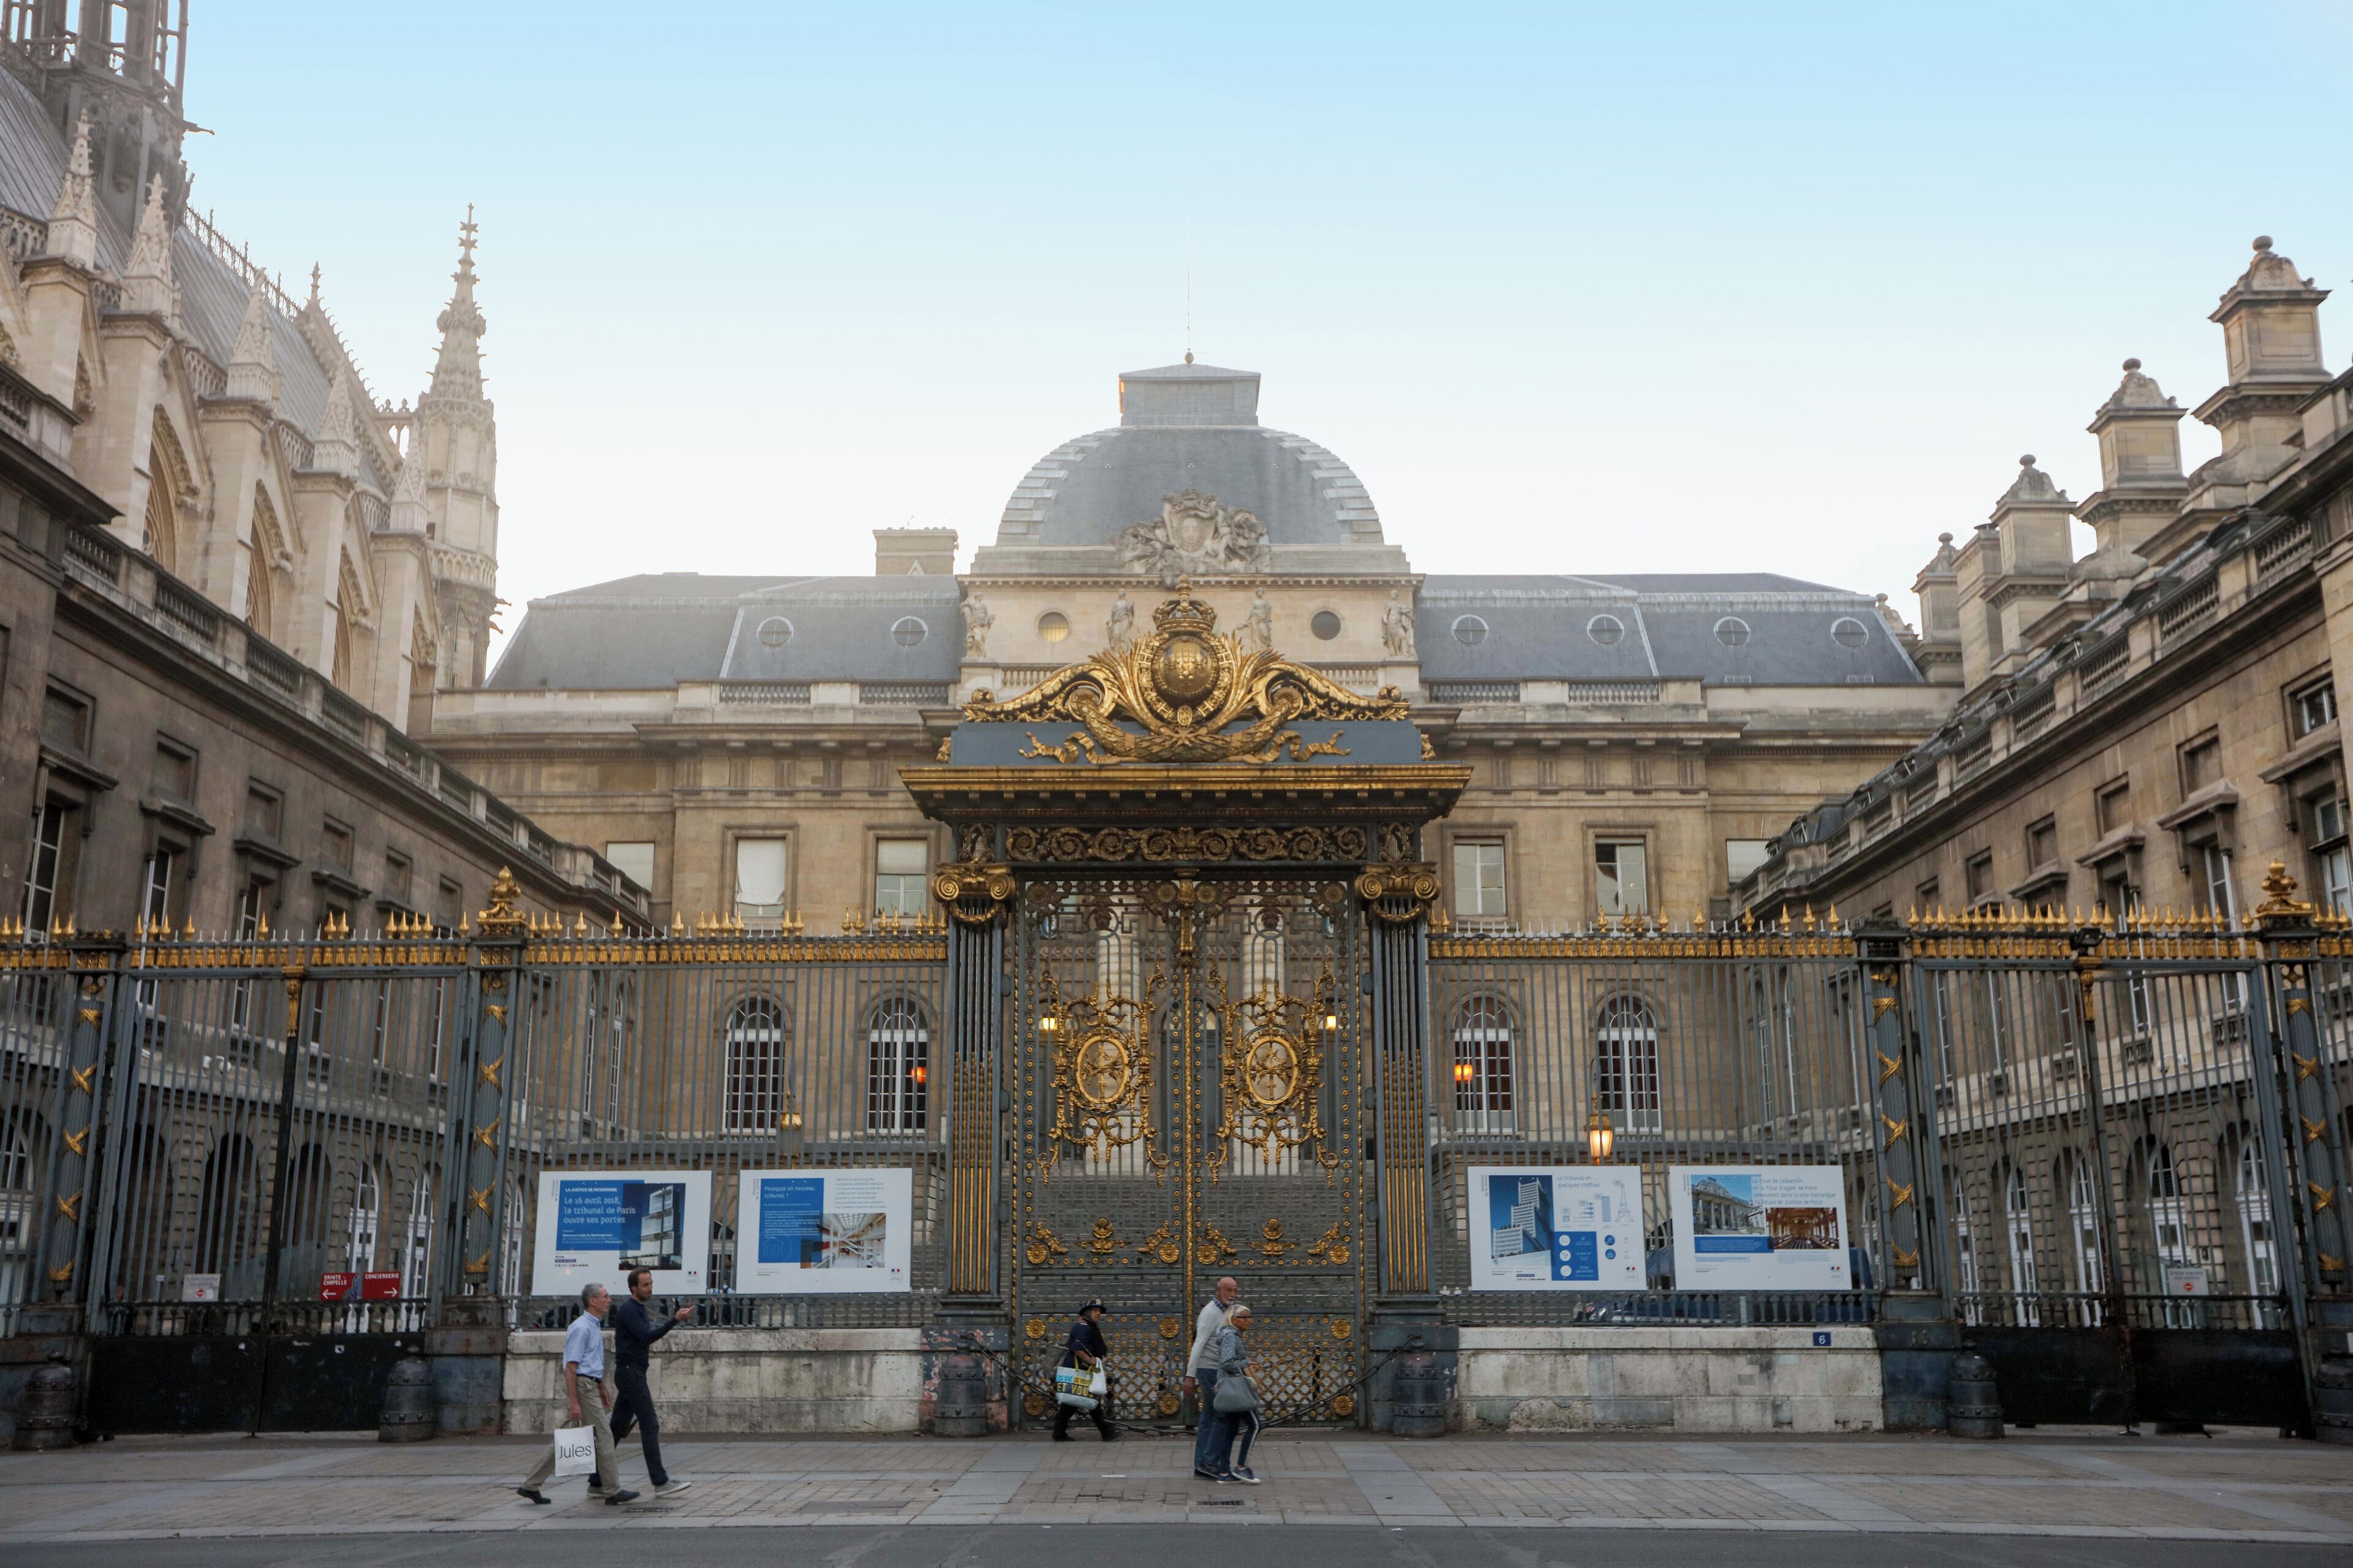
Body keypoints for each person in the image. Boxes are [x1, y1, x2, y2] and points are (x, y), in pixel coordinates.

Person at [515, 1282, 637, 1506]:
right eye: (605, 1296)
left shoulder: (592, 1326)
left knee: (567, 1436)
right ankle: (611, 1490)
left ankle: (530, 1485)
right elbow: (571, 1367)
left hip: (589, 1385)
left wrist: (601, 1386)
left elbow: (588, 1363)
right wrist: (574, 1402)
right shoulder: (581, 1328)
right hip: (583, 1386)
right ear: (593, 1301)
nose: (609, 1300)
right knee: (604, 1436)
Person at [599, 1267, 697, 1497]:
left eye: (651, 1283)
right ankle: (660, 1481)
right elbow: (646, 1336)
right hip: (630, 1373)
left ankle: (596, 1481)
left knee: (616, 1429)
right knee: (650, 1424)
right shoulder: (630, 1310)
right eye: (645, 1285)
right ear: (634, 1288)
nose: (650, 1288)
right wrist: (674, 1320)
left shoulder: (637, 1309)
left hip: (631, 1373)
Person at [1184, 1275, 1238, 1480]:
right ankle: (1209, 1461)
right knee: (1220, 1416)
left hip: (1218, 1370)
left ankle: (1202, 1465)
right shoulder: (1210, 1313)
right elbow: (1198, 1344)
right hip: (1209, 1370)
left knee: (1208, 1418)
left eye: (1234, 1290)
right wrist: (1190, 1376)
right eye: (1228, 1290)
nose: (1231, 1294)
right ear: (1218, 1291)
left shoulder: (1227, 1311)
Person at [1208, 1304, 1263, 1483]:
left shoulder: (1230, 1335)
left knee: (1230, 1430)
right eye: (1245, 1317)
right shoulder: (1231, 1336)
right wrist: (1245, 1363)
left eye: (1249, 1317)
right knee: (1255, 1425)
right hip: (1236, 1389)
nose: (1249, 1321)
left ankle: (1224, 1472)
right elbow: (1227, 1363)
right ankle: (1242, 1467)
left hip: (1230, 1389)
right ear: (1233, 1319)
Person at [1051, 1297, 1119, 1442]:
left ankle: (1059, 1433)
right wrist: (1091, 1360)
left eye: (1100, 1311)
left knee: (1074, 1402)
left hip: (1079, 1370)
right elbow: (1077, 1348)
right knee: (1090, 1400)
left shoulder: (1085, 1325)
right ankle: (1107, 1432)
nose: (1098, 1313)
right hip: (1081, 1370)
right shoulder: (1084, 1327)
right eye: (1095, 1310)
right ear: (1087, 1312)